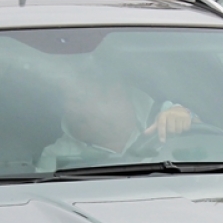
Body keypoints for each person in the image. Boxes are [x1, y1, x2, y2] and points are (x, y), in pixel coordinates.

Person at [40, 71, 194, 170]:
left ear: (115, 96)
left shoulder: (165, 114)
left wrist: (187, 118)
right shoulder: (57, 157)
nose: (69, 109)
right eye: (66, 101)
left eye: (79, 100)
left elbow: (212, 138)